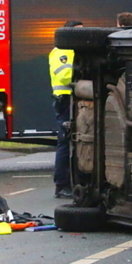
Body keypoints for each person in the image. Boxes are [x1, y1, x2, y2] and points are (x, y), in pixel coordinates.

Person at [50, 19, 83, 199]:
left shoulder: (72, 51)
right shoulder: (62, 52)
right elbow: (64, 76)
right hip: (66, 99)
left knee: (75, 142)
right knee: (65, 142)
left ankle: (70, 182)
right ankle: (61, 185)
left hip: (73, 98)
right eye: (78, 33)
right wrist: (79, 69)